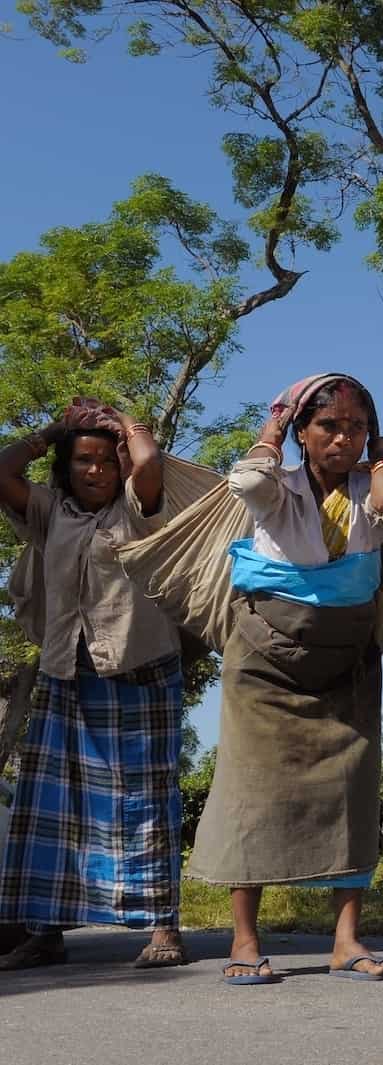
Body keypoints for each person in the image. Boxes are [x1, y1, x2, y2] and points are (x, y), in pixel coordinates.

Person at [185, 375, 383, 985]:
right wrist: (271, 431)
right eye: (328, 426)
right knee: (249, 792)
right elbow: (247, 480)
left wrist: (381, 449)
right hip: (266, 658)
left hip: (348, 659)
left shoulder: (367, 486)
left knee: (352, 793)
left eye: (354, 427)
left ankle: (346, 941)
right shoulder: (276, 488)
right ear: (302, 433)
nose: (342, 438)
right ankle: (245, 941)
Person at [0, 399, 190, 970]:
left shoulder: (138, 507)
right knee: (55, 806)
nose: (96, 470)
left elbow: (149, 462)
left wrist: (126, 424)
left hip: (141, 671)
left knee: (147, 801)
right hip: (67, 673)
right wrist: (51, 431)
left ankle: (163, 928)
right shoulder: (48, 510)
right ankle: (45, 931)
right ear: (66, 467)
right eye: (83, 460)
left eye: (107, 461)